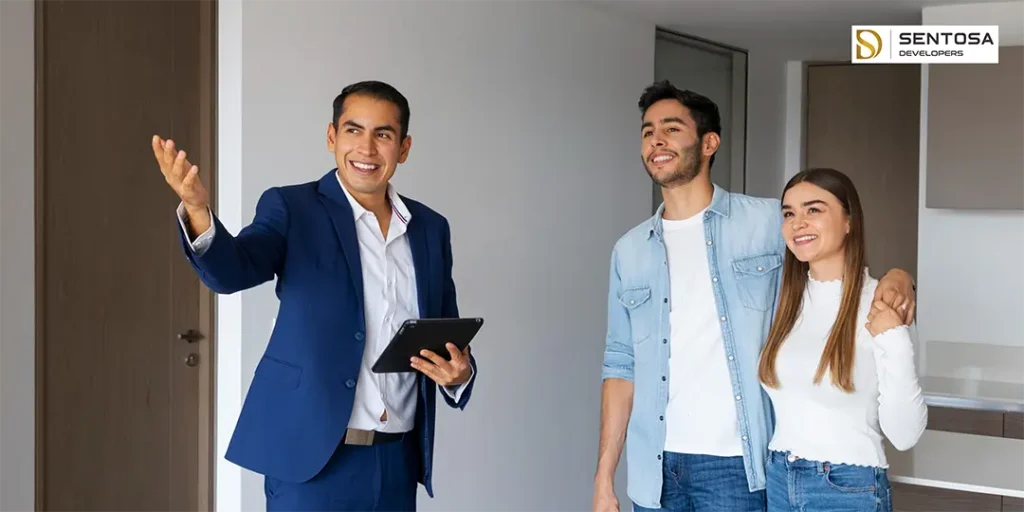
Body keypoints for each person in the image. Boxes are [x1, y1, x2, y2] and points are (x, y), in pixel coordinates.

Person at [151, 80, 477, 511]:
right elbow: (232, 272)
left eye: (383, 134)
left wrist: (460, 374)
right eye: (353, 130)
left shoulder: (430, 229)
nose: (366, 148)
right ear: (331, 137)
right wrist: (196, 210)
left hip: (397, 462)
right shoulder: (292, 208)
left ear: (404, 148)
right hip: (311, 463)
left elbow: (447, 333)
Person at [593, 81, 917, 512]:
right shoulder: (629, 251)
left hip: (738, 465)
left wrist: (900, 277)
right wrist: (604, 475)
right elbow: (621, 366)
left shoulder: (769, 221)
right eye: (648, 131)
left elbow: (834, 266)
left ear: (709, 143)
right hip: (654, 469)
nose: (656, 140)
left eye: (671, 129)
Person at [758, 168, 927, 512]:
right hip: (779, 477)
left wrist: (895, 339)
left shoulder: (882, 304)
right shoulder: (783, 302)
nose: (798, 223)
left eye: (814, 209)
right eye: (789, 213)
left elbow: (905, 435)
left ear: (849, 221)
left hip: (846, 487)